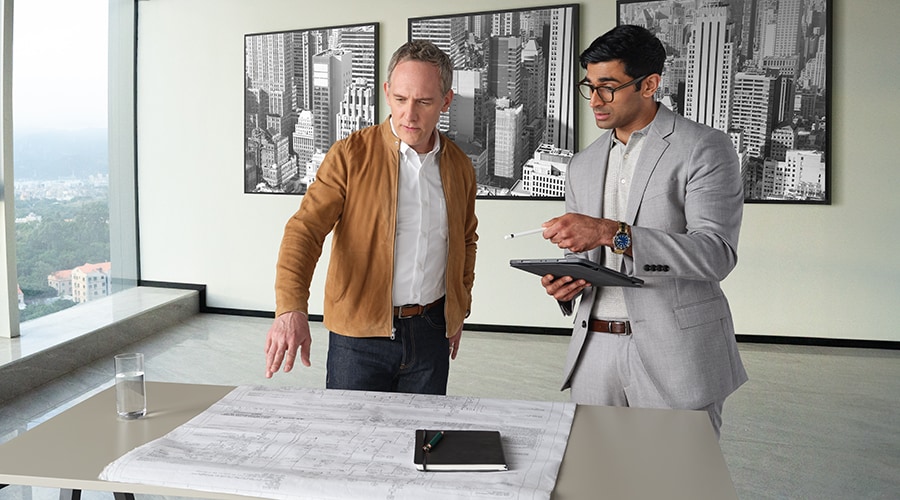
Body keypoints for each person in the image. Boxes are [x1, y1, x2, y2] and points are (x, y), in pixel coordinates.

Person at [538, 25, 747, 437]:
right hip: (594, 351)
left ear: (650, 84)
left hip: (677, 353)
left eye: (609, 87)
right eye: (590, 86)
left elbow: (716, 253)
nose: (595, 100)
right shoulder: (583, 163)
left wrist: (610, 232)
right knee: (597, 480)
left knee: (673, 482)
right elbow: (585, 254)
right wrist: (567, 279)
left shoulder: (704, 147)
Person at [264, 40, 478, 395]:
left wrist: (459, 308)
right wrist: (290, 308)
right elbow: (304, 231)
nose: (409, 115)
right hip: (357, 338)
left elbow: (466, 240)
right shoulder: (349, 155)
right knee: (350, 445)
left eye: (424, 102)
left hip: (430, 333)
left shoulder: (459, 165)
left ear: (446, 101)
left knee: (419, 445)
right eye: (400, 99)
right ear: (387, 92)